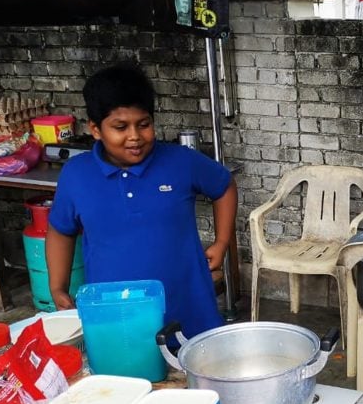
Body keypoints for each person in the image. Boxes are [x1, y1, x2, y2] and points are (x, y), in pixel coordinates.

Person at [46, 61, 238, 338]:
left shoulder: (181, 162)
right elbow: (61, 230)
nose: (135, 137)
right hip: (116, 316)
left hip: (189, 310)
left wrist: (221, 243)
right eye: (120, 127)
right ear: (96, 129)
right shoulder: (76, 175)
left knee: (200, 376)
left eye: (144, 124)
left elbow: (224, 186)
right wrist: (57, 287)